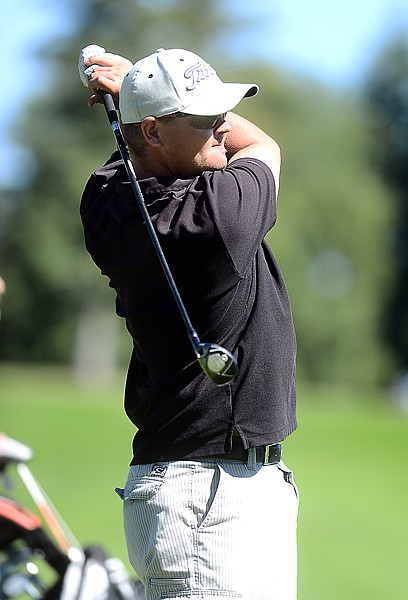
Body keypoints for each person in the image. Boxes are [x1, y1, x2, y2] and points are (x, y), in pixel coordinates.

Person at [81, 47, 299, 599]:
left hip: (201, 492)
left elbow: (133, 160)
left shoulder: (104, 203)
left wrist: (136, 96)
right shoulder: (219, 217)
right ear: (153, 132)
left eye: (223, 110)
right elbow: (263, 144)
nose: (223, 125)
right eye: (206, 117)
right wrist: (132, 81)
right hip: (211, 505)